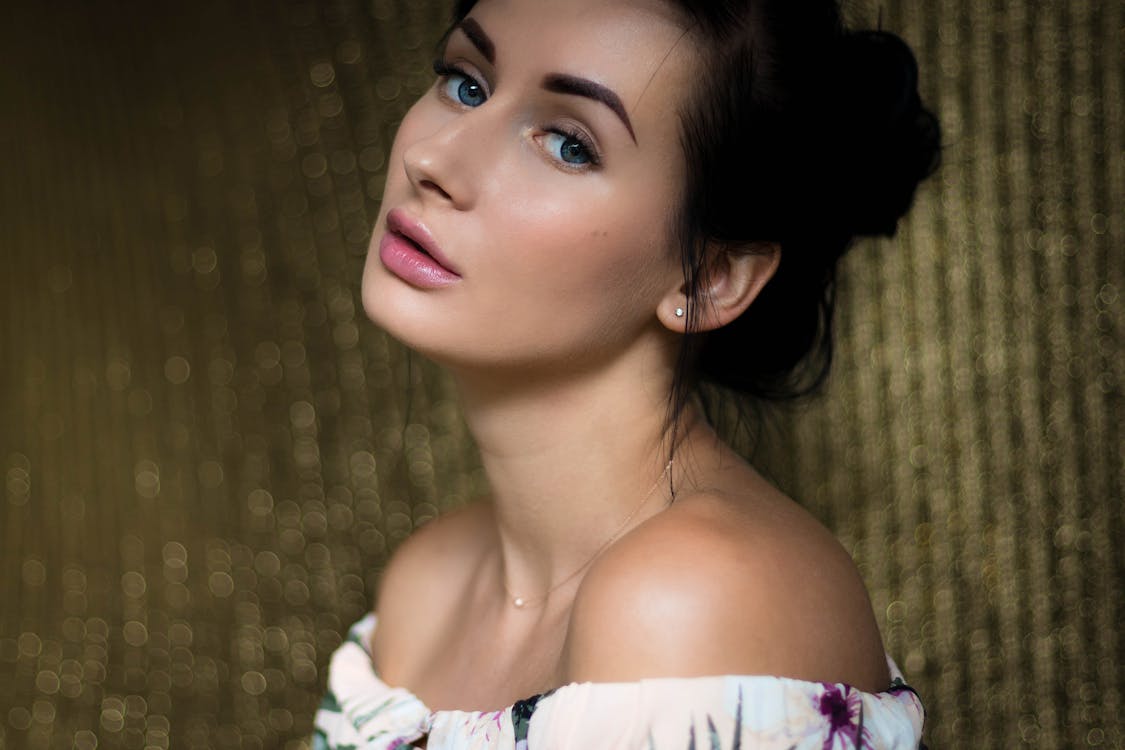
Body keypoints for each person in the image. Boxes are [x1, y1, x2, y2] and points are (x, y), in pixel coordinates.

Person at [314, 0, 940, 746]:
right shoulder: (428, 582)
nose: (433, 161)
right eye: (465, 83)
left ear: (707, 277)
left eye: (569, 145)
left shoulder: (694, 598)